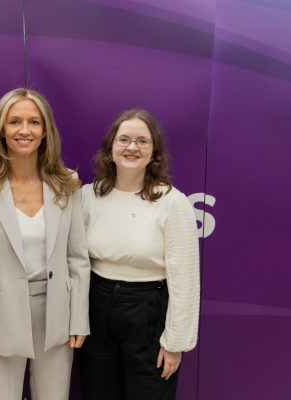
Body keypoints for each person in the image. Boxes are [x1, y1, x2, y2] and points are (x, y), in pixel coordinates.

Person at [0, 88, 90, 400]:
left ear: (45, 131)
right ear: (1, 131)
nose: (24, 130)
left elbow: (77, 259)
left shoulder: (68, 186)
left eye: (34, 122)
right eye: (14, 122)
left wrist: (78, 319)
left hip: (56, 314)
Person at [78, 109, 200, 400]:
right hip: (96, 307)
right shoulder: (88, 196)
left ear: (154, 152)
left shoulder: (172, 202)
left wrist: (175, 343)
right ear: (111, 148)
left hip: (147, 310)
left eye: (142, 141)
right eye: (124, 139)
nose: (132, 147)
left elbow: (185, 278)